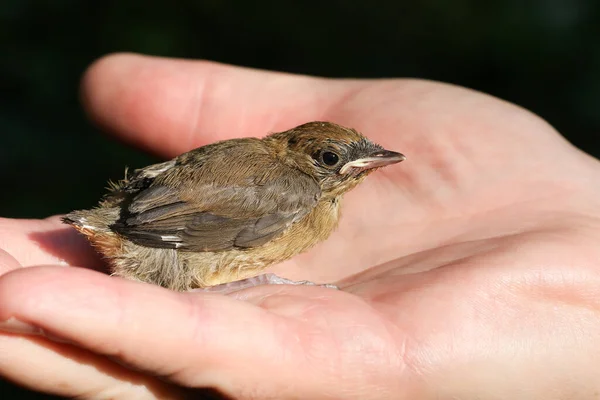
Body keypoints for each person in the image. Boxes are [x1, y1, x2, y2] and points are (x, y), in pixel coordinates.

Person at [0, 53, 599, 400]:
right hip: (162, 243)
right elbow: (190, 222)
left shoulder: (289, 180)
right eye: (334, 159)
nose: (354, 166)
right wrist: (136, 238)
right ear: (304, 158)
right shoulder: (292, 192)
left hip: (142, 217)